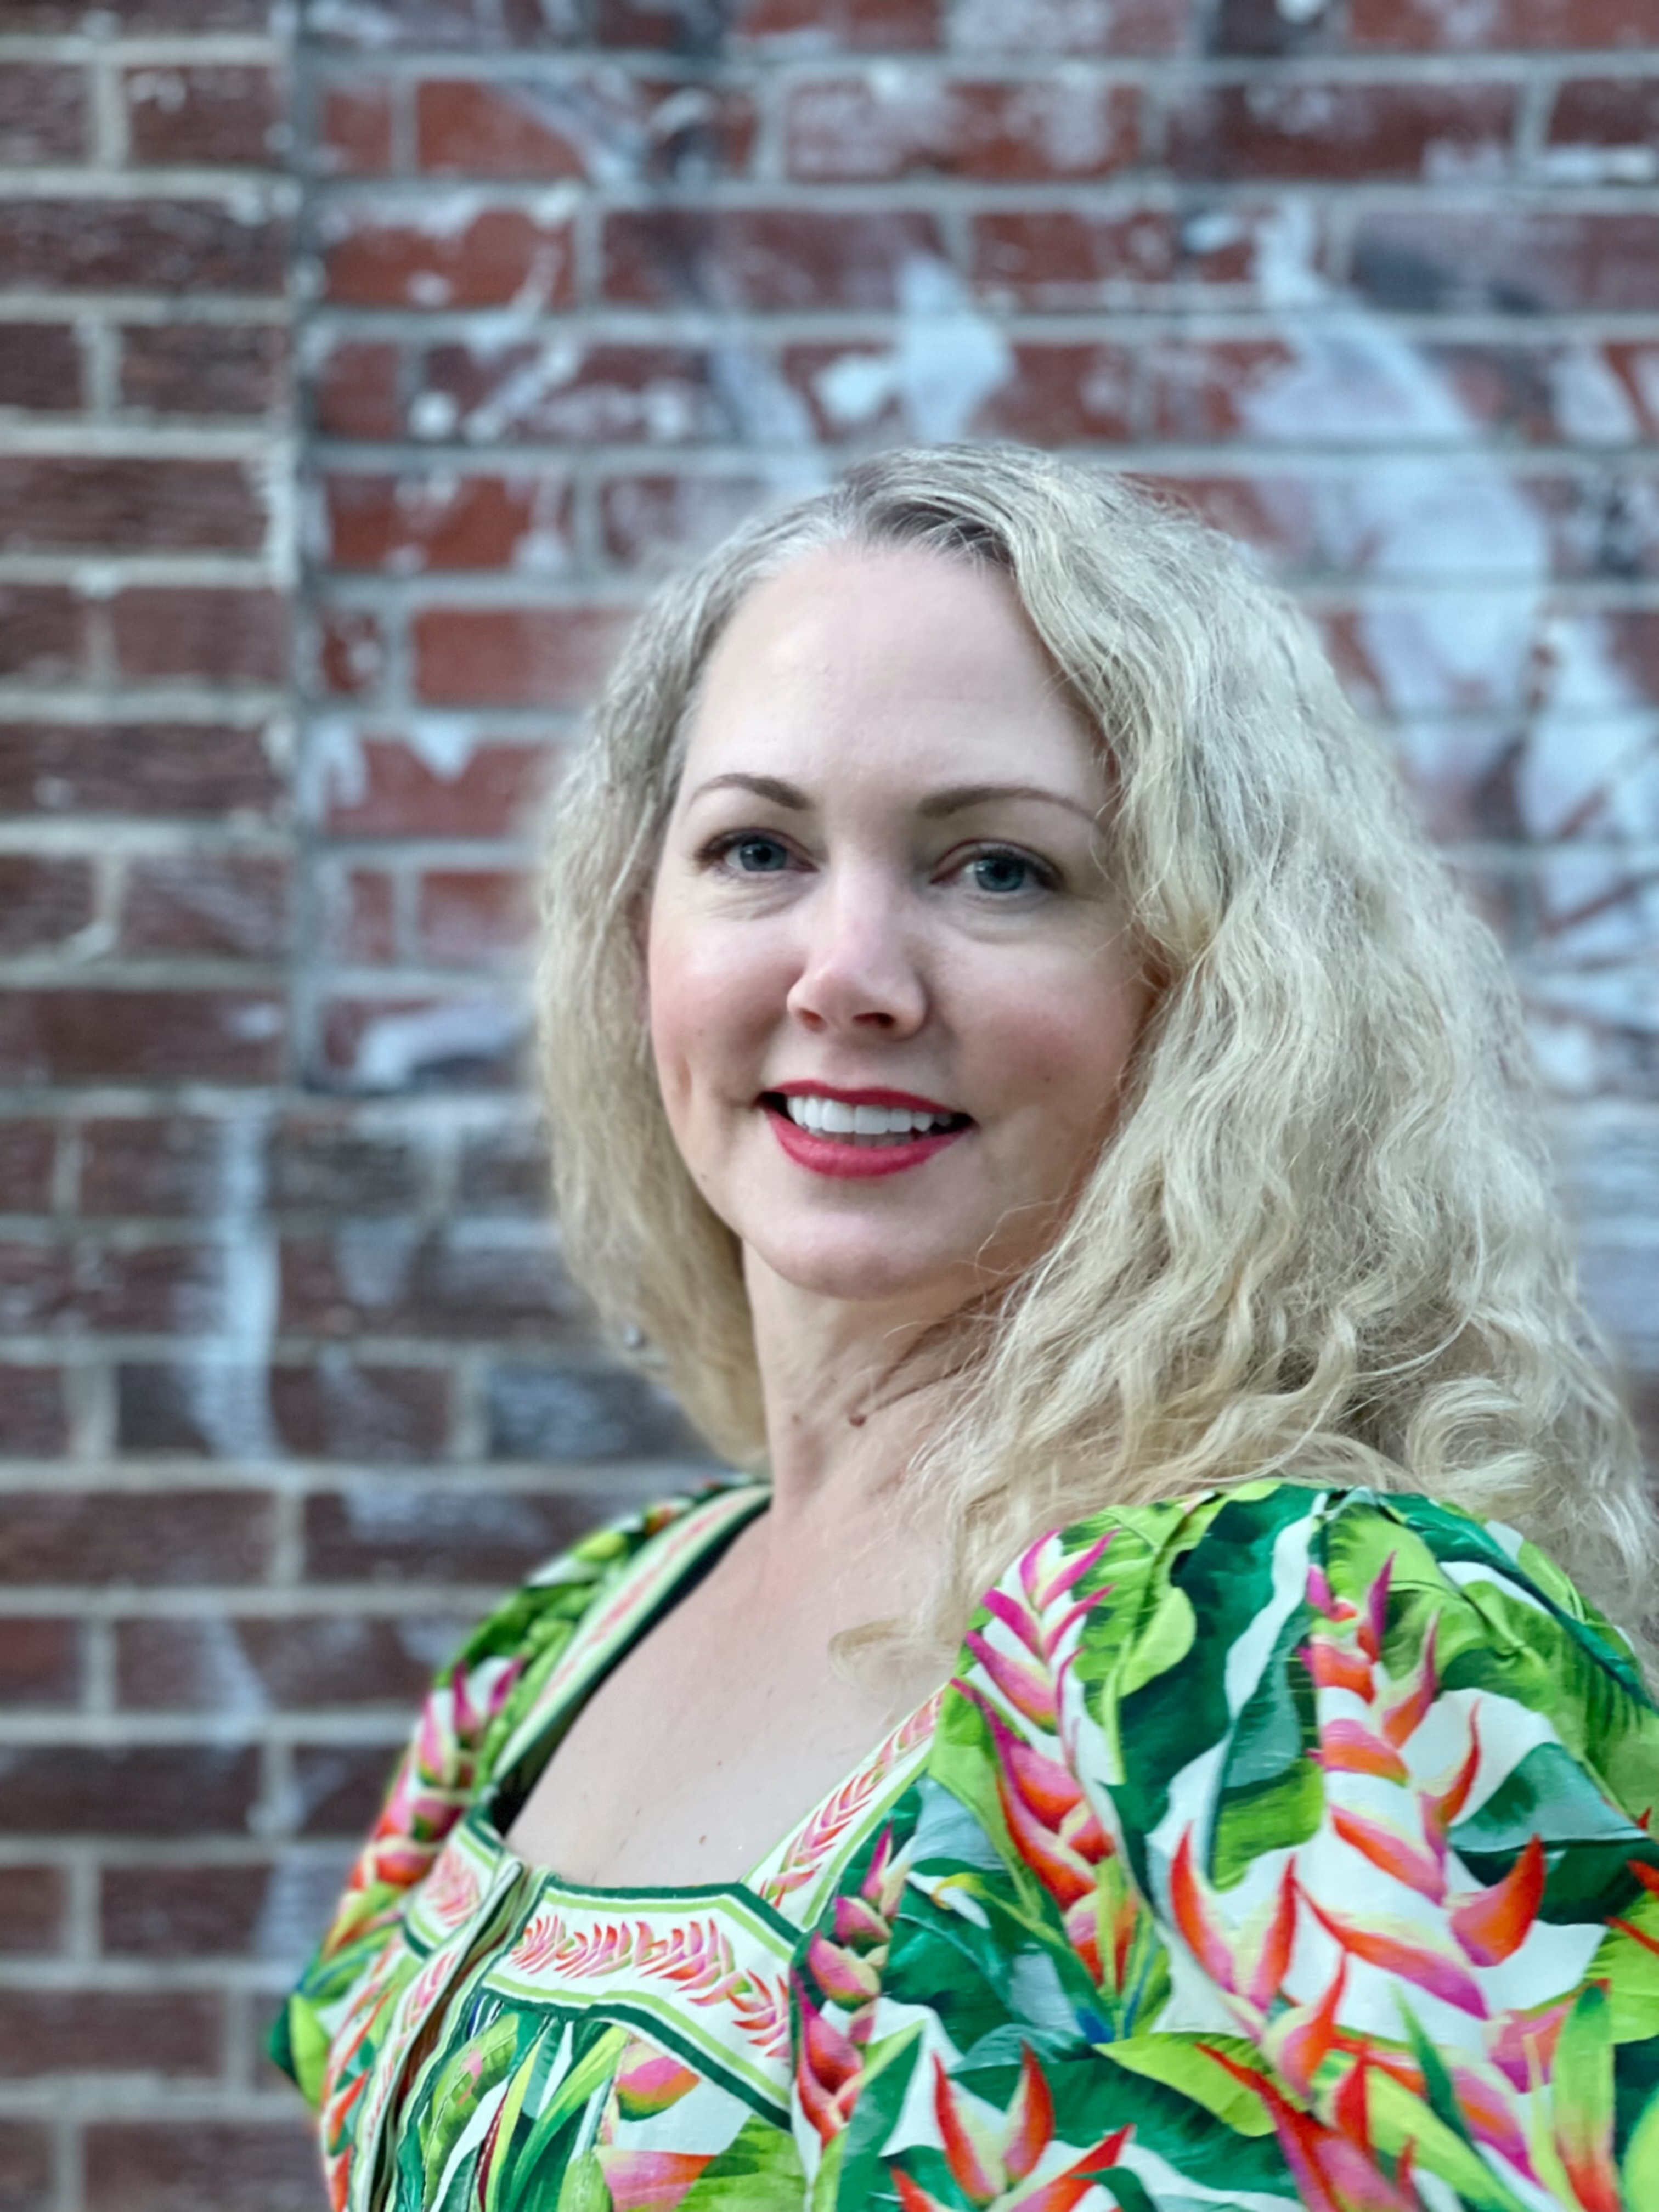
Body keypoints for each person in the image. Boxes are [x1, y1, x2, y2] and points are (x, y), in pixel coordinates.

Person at [272, 447, 1659, 2212]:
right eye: (756, 849)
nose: (848, 971)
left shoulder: (1279, 1659)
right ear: (638, 932)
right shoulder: (556, 1653)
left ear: (1207, 984)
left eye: (999, 869)